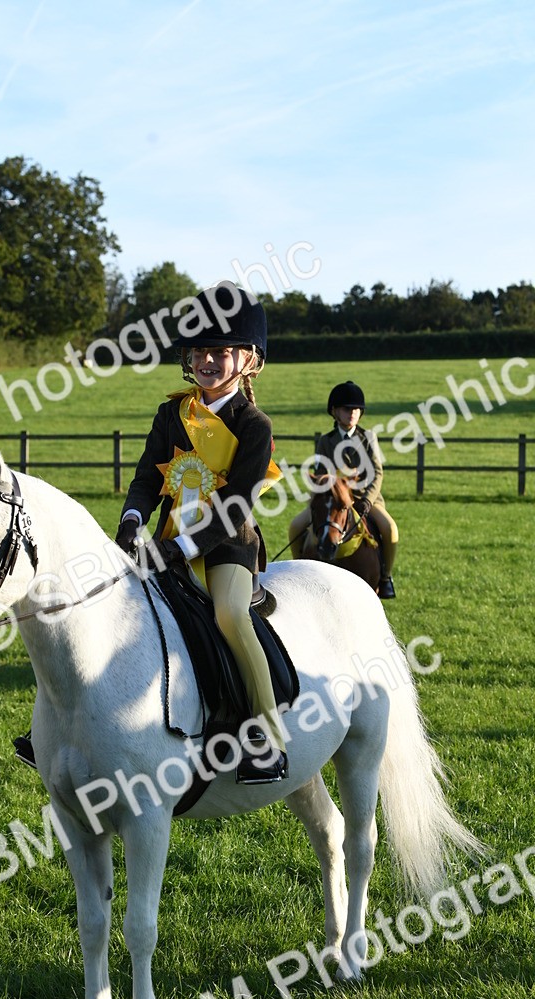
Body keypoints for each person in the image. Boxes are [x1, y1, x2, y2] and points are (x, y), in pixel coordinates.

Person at [114, 283, 288, 784]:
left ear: (247, 360)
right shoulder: (172, 413)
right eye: (200, 351)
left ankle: (266, 736)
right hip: (165, 536)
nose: (208, 360)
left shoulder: (254, 425)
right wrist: (132, 521)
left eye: (220, 351)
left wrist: (177, 549)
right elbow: (148, 475)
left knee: (231, 615)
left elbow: (235, 506)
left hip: (227, 546)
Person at [287, 380, 398, 599]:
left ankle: (385, 578)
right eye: (347, 409)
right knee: (295, 526)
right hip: (333, 500)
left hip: (366, 499)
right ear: (335, 412)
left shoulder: (368, 438)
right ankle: (298, 573)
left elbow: (377, 472)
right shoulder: (326, 441)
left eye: (356, 409)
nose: (353, 413)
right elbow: (319, 474)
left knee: (390, 528)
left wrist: (367, 499)